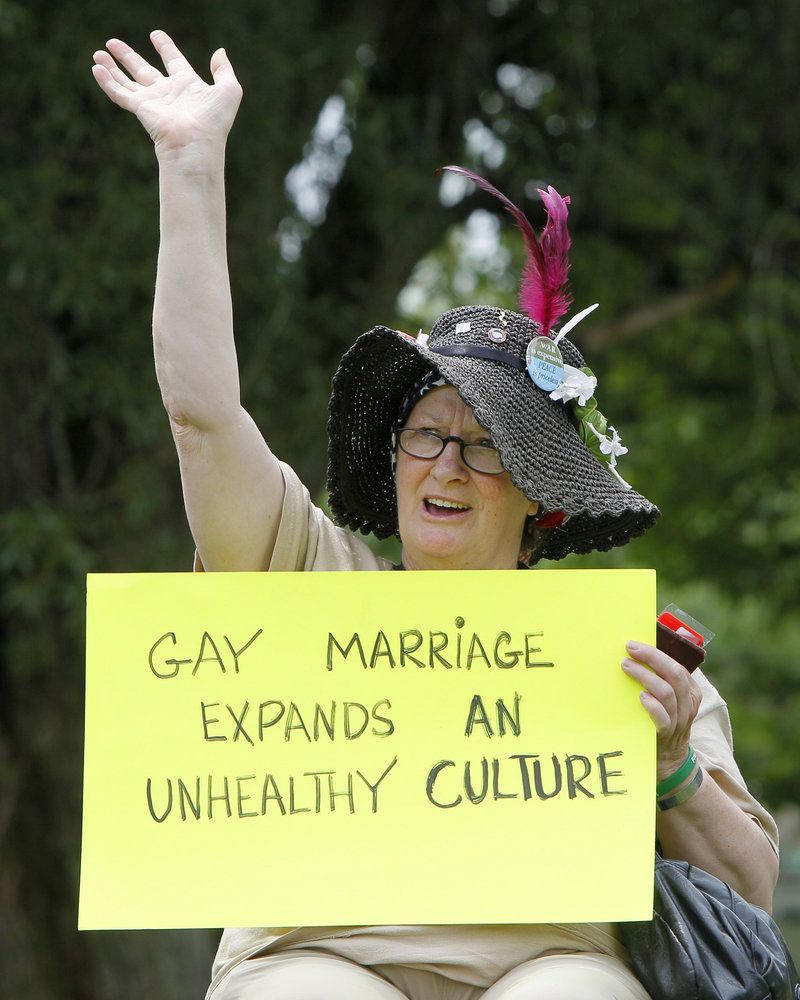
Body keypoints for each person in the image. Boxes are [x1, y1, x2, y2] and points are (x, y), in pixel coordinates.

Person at [92, 30, 779, 1000]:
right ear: (394, 458)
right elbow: (203, 416)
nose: (446, 462)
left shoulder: (629, 662)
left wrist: (668, 765)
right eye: (425, 433)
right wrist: (189, 166)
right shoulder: (304, 571)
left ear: (537, 500)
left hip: (555, 963)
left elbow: (746, 897)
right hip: (306, 959)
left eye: (486, 442)